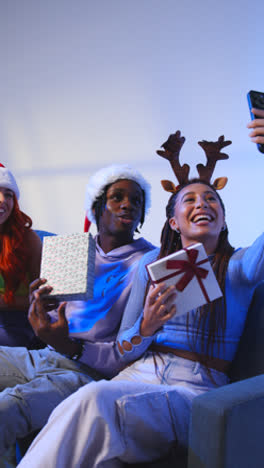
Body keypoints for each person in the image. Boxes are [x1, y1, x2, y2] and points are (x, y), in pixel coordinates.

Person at [17, 131, 264, 468]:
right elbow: (122, 348)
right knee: (83, 414)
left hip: (193, 389)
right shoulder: (149, 268)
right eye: (189, 200)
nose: (202, 204)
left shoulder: (240, 266)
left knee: (94, 398)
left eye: (211, 199)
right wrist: (146, 328)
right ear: (174, 223)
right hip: (137, 374)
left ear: (222, 222)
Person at [0, 164, 155, 457]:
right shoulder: (72, 250)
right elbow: (53, 317)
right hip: (45, 355)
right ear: (96, 208)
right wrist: (40, 311)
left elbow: (127, 351)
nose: (127, 205)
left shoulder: (148, 263)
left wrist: (67, 345)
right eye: (117, 197)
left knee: (8, 407)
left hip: (87, 373)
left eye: (136, 201)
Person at [0, 163, 42, 348]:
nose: (2, 199)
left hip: (19, 322)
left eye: (8, 194)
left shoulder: (28, 239)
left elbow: (41, 300)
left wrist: (5, 302)